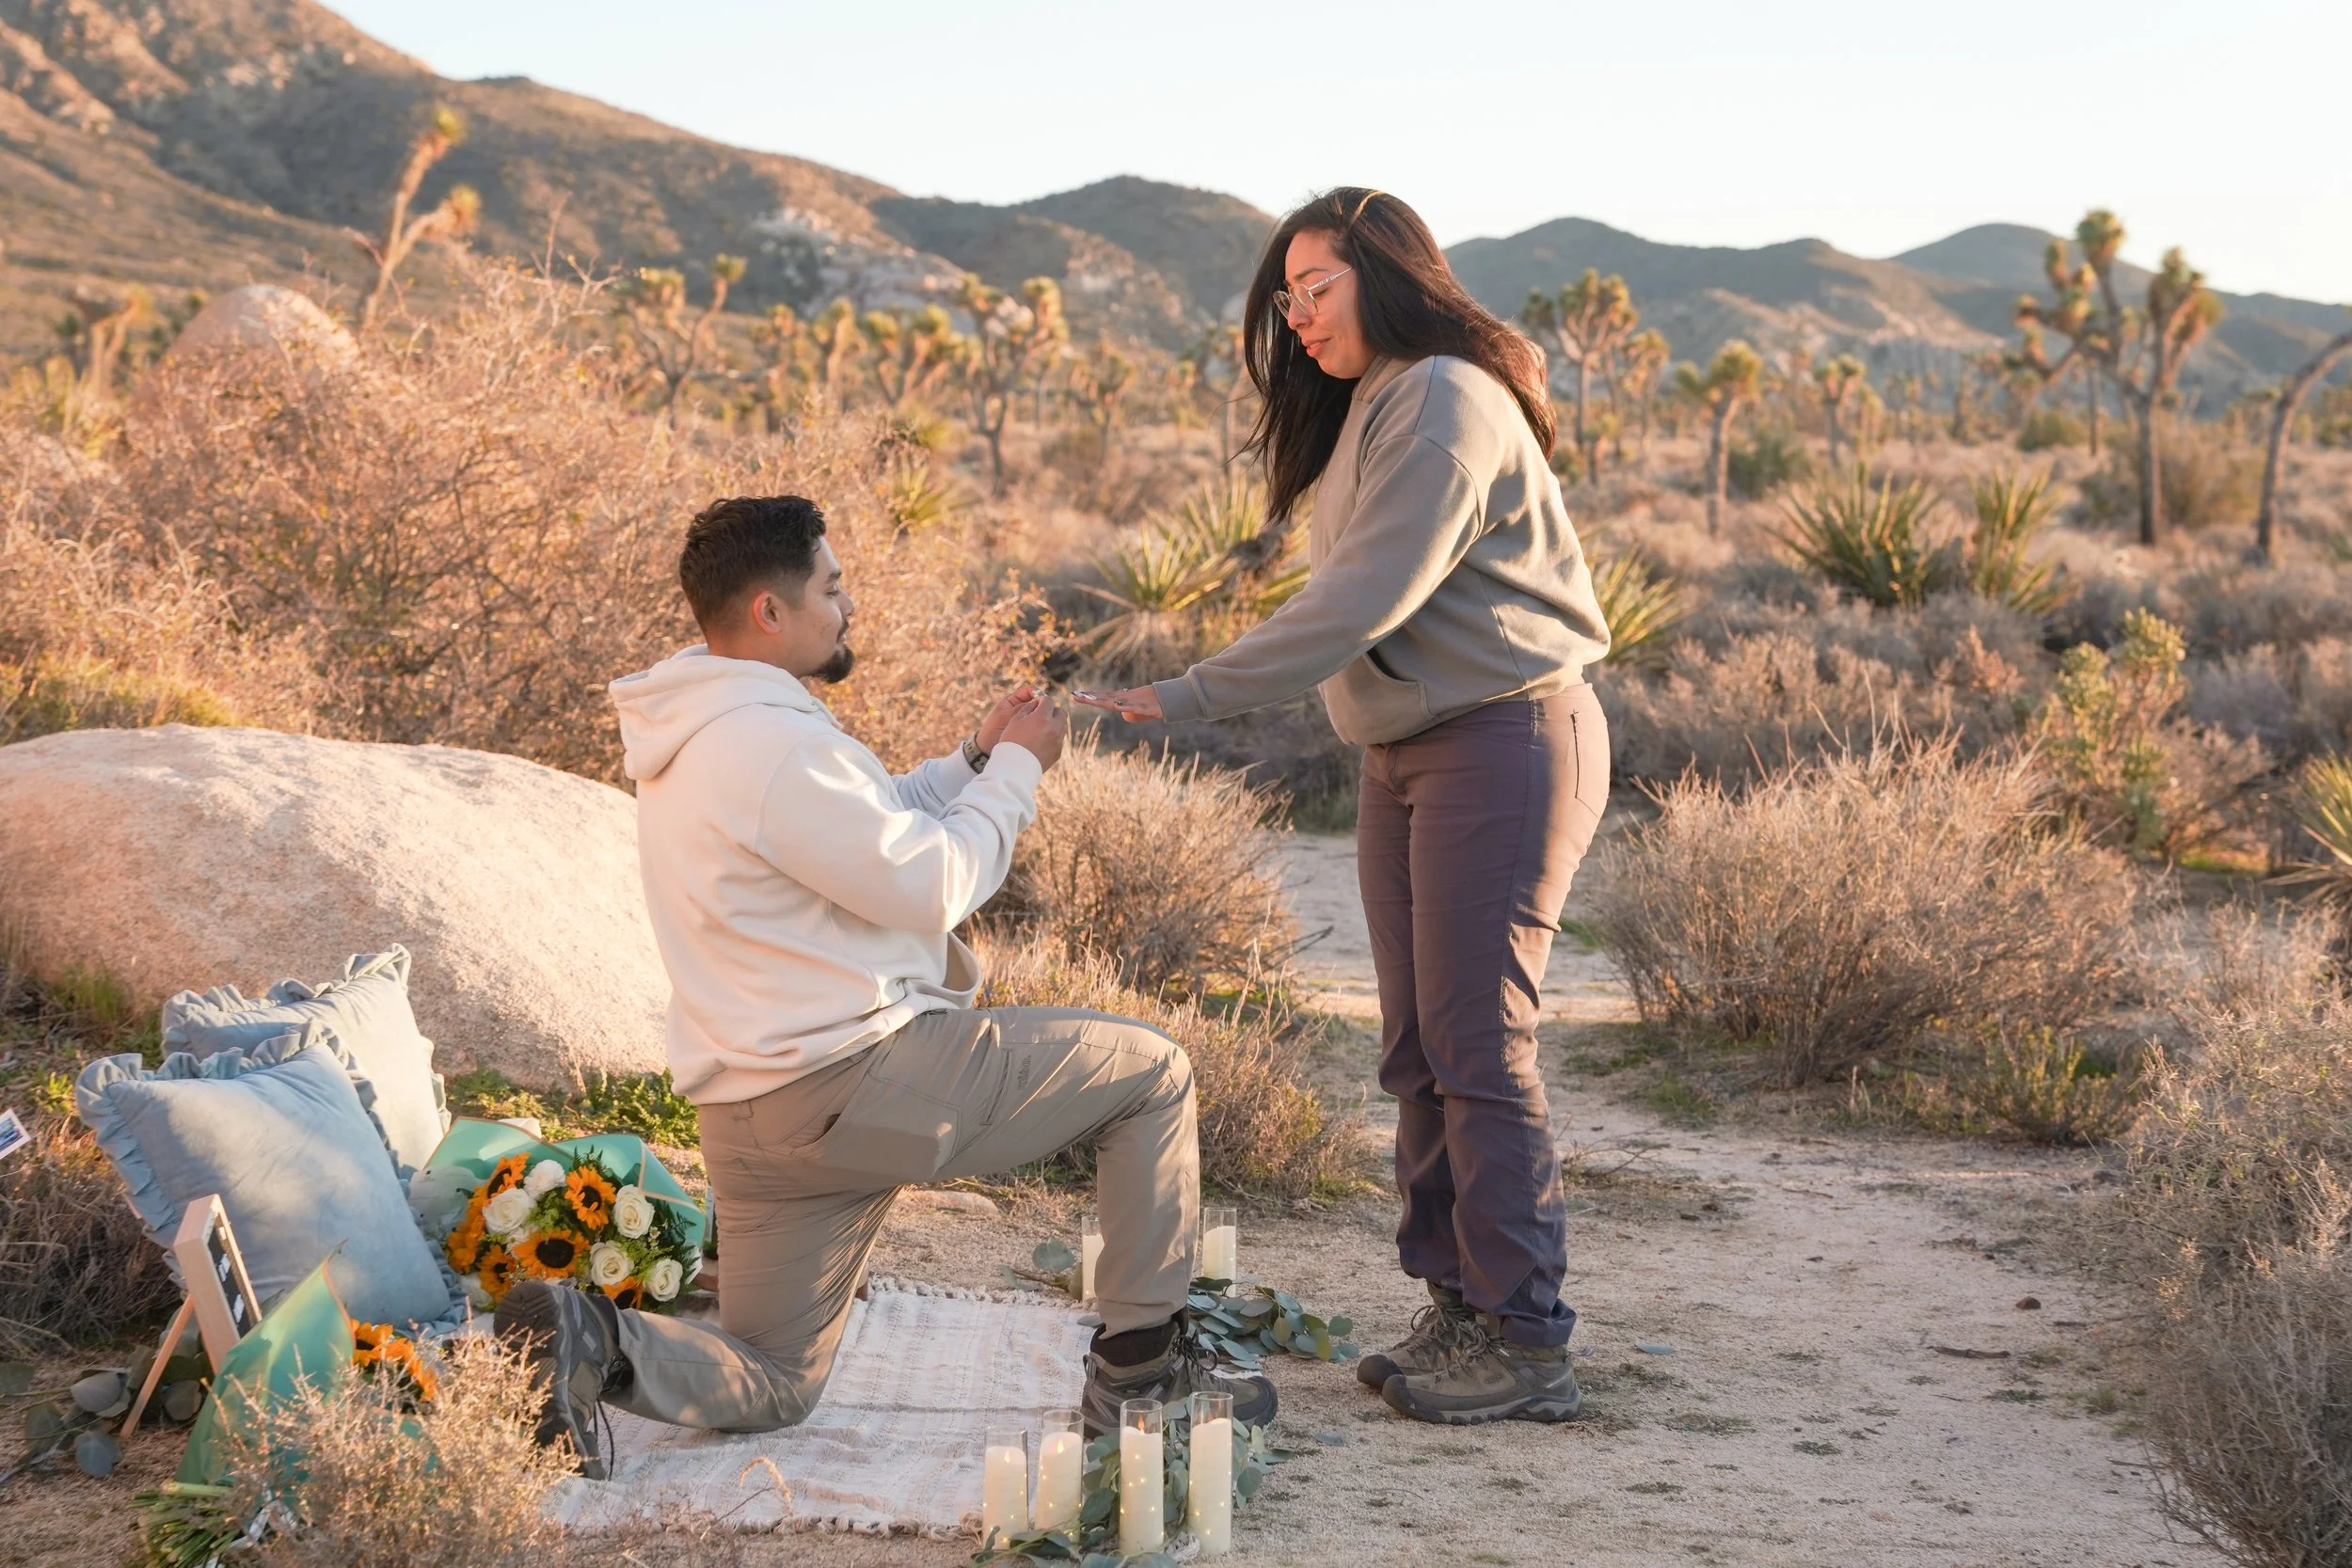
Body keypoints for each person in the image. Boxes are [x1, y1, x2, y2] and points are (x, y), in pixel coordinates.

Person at [496, 495, 1273, 1475]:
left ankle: (592, 1341)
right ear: (771, 612)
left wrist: (974, 761)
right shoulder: (769, 742)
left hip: (755, 1111)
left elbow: (865, 826)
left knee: (774, 1376)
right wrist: (1019, 777)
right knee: (1153, 1072)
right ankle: (1140, 1371)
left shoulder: (704, 724)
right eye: (832, 585)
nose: (846, 602)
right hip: (858, 1082)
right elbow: (929, 882)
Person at [1080, 189, 1612, 1426]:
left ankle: (1529, 1336)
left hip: (1504, 735)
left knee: (1479, 1043)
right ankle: (1462, 1302)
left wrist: (1188, 691)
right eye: (1285, 296)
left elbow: (1365, 594)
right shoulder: (1381, 401)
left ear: (1389, 273)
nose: (1298, 315)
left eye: (1317, 286)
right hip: (1410, 749)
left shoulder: (1442, 397)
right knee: (1421, 1047)